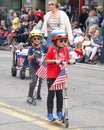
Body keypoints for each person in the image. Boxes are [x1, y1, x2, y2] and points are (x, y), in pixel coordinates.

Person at [45, 29, 74, 121]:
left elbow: (68, 60)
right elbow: (46, 60)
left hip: (61, 75)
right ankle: (50, 113)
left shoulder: (65, 50)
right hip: (51, 75)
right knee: (51, 94)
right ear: (55, 41)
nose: (63, 43)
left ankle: (59, 112)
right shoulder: (52, 49)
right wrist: (55, 61)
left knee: (60, 95)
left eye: (65, 41)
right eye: (61, 41)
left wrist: (71, 61)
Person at [27, 29, 48, 103]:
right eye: (34, 39)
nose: (37, 40)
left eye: (38, 38)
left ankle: (37, 94)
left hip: (41, 67)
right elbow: (28, 58)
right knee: (34, 81)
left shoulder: (44, 47)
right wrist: (33, 55)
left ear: (41, 39)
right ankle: (30, 96)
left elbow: (49, 55)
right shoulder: (31, 49)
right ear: (32, 40)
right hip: (33, 67)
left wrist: (46, 57)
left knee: (40, 81)